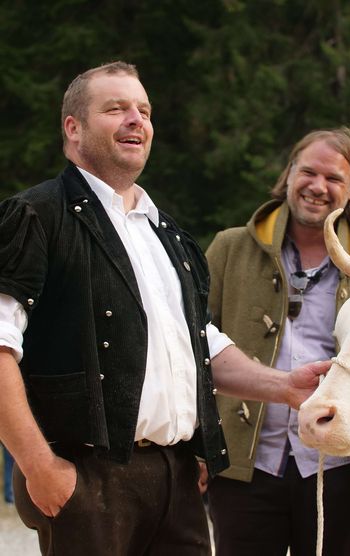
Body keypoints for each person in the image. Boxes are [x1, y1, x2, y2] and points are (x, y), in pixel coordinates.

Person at [0, 61, 329, 556]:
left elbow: (202, 344)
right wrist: (40, 467)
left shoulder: (167, 234)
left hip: (176, 479)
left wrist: (285, 387)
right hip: (86, 477)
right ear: (73, 127)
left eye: (144, 111)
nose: (136, 119)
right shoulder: (36, 216)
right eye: (116, 109)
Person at [205, 128, 350, 556]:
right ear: (289, 174)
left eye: (333, 178)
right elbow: (194, 351)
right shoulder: (228, 249)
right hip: (244, 467)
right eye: (308, 172)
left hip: (339, 468)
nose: (317, 187)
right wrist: (197, 451)